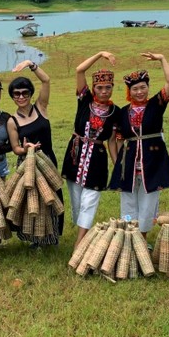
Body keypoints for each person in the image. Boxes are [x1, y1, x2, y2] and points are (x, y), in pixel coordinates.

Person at [109, 53, 169, 239]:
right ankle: (130, 234)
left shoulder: (157, 104)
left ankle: (143, 238)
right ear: (129, 91)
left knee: (149, 200)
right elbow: (117, 140)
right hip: (129, 163)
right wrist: (118, 164)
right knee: (128, 201)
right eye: (135, 89)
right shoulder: (123, 112)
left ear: (148, 87)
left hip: (153, 161)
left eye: (143, 87)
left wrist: (162, 59)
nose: (139, 92)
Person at [61, 51, 120, 247]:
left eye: (108, 88)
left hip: (97, 158)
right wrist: (100, 54)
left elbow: (112, 140)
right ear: (93, 88)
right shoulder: (85, 99)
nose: (104, 91)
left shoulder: (115, 112)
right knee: (76, 201)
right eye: (100, 87)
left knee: (90, 199)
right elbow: (80, 70)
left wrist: (118, 166)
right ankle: (82, 230)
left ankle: (80, 241)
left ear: (113, 88)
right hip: (75, 154)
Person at [6, 59, 63, 246]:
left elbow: (46, 81)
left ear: (30, 94)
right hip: (27, 164)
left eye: (25, 93)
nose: (21, 97)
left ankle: (53, 236)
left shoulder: (41, 108)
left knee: (52, 197)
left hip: (47, 160)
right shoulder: (12, 121)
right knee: (32, 202)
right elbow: (15, 148)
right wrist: (25, 149)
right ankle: (34, 239)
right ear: (12, 96)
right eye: (17, 94)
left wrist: (32, 65)